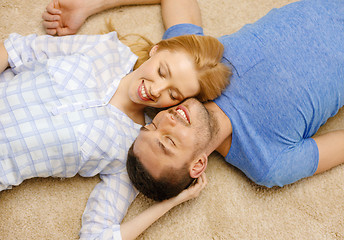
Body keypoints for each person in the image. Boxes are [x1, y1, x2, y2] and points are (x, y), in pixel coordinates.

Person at [0, 2, 230, 239]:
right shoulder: (106, 50)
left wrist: (173, 201)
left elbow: (96, 235)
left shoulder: (135, 148)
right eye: (162, 71)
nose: (156, 89)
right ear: (156, 50)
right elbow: (16, 49)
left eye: (173, 94)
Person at [126, 0, 344, 201]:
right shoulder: (268, 163)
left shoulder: (191, 79)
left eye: (152, 125)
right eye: (169, 141)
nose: (167, 119)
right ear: (198, 164)